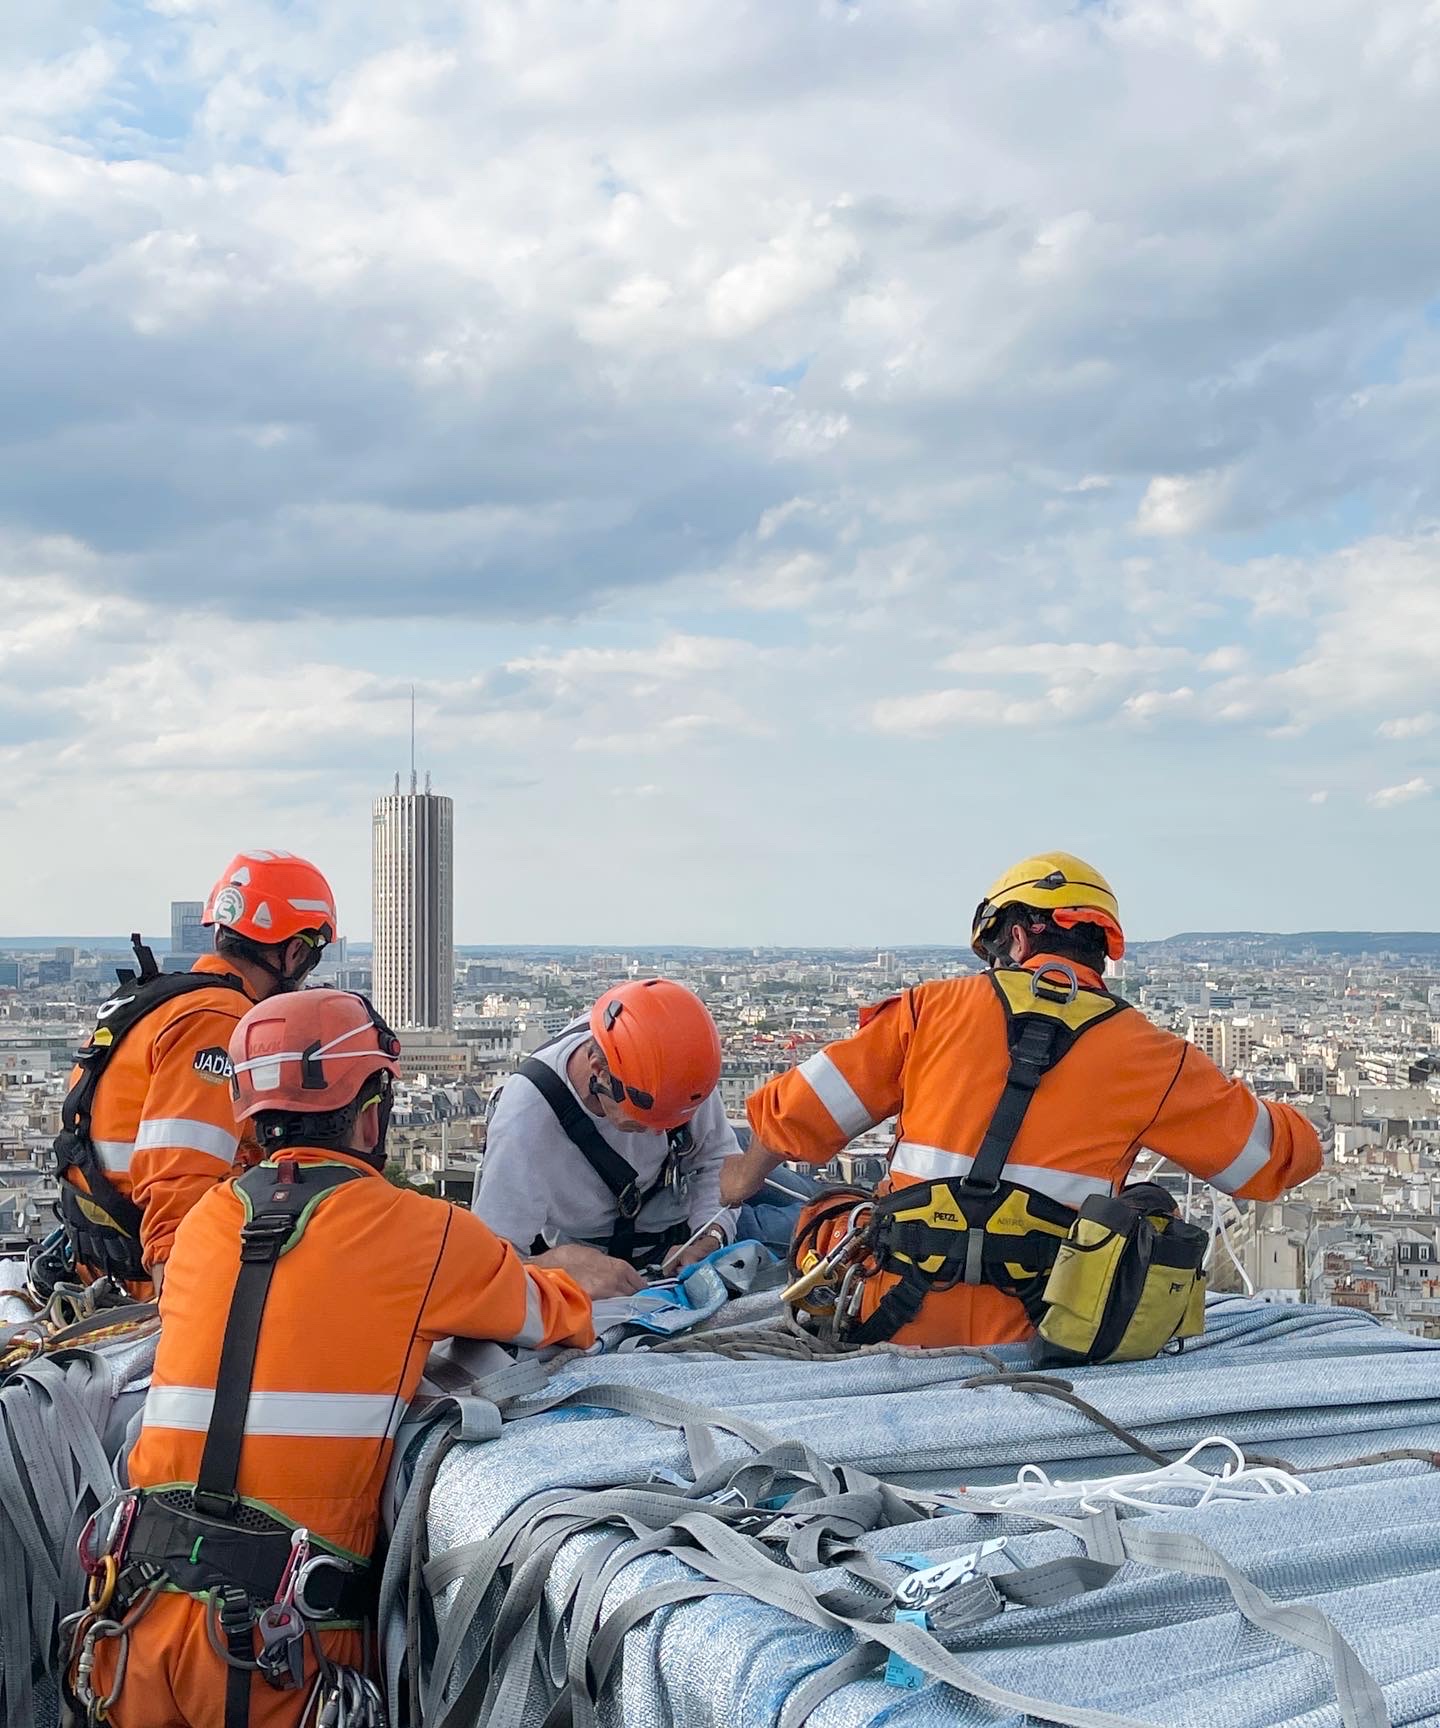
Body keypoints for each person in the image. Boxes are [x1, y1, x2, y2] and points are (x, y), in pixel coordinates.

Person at [79, 989, 595, 1728]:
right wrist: (574, 1271)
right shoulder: (423, 1234)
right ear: (371, 1113)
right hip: (280, 1653)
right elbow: (556, 1318)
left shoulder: (200, 1228)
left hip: (135, 1625)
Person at [729, 851, 1324, 1348]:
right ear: (1102, 948)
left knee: (829, 1207)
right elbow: (1267, 1165)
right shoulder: (1155, 1057)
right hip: (1042, 1329)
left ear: (1014, 937)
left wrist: (739, 1181)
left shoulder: (928, 1010)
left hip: (894, 1316)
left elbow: (796, 1112)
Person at [46, 850, 341, 1301]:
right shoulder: (219, 1019)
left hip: (108, 1259)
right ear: (295, 953)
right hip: (147, 1281)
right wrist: (179, 1314)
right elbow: (180, 1181)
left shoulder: (171, 1002)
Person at [474, 979, 739, 1293]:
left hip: (687, 1232)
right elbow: (489, 1263)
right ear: (598, 1069)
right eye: (647, 1116)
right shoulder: (525, 1122)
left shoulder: (675, 1061)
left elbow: (715, 1157)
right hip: (591, 1260)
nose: (659, 1131)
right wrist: (554, 1266)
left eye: (672, 1120)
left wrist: (711, 1235)